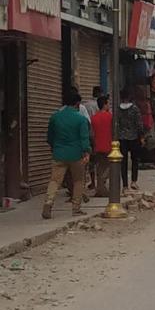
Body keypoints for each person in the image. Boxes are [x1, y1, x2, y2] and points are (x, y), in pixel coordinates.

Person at [42, 91, 91, 219]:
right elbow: (84, 138)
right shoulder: (81, 119)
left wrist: (54, 147)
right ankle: (76, 208)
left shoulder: (55, 117)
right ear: (78, 104)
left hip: (59, 154)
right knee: (78, 181)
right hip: (76, 154)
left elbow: (50, 137)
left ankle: (48, 203)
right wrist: (86, 152)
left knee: (54, 180)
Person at [117, 88, 144, 191]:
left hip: (122, 138)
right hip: (134, 137)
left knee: (123, 162)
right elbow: (139, 124)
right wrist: (141, 136)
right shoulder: (135, 109)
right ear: (130, 97)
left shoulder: (117, 109)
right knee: (135, 160)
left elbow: (116, 123)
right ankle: (133, 181)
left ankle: (124, 186)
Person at [91, 95, 112, 196]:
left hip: (97, 146)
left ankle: (100, 189)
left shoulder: (93, 118)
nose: (109, 105)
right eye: (108, 103)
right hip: (109, 145)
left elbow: (92, 133)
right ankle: (102, 185)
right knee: (111, 166)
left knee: (100, 168)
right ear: (104, 104)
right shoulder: (110, 117)